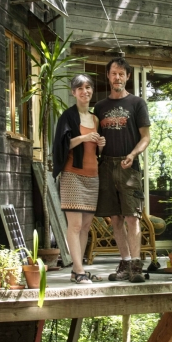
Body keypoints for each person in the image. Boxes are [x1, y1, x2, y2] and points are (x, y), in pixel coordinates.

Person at [94, 58, 151, 283]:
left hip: (129, 166)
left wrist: (133, 154)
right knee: (115, 219)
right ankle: (125, 263)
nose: (117, 77)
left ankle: (136, 266)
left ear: (127, 77)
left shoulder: (137, 103)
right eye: (114, 73)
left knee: (132, 217)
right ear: (108, 76)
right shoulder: (99, 107)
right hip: (105, 166)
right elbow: (96, 139)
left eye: (121, 74)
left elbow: (146, 137)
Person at [53, 74, 105, 284]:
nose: (85, 91)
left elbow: (97, 152)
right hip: (72, 175)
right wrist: (83, 137)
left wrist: (100, 143)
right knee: (74, 226)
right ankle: (79, 270)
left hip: (93, 177)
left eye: (89, 87)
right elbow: (60, 145)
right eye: (80, 88)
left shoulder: (95, 119)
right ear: (73, 92)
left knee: (85, 226)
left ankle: (78, 269)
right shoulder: (67, 116)